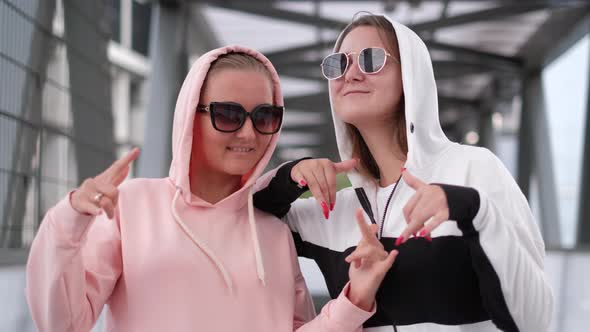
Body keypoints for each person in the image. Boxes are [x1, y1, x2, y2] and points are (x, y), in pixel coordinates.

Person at [25, 45, 399, 332]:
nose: (249, 133)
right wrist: (70, 219)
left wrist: (355, 298)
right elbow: (63, 323)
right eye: (229, 115)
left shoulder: (271, 230)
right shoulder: (131, 207)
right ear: (191, 115)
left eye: (265, 117)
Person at [254, 14, 553, 332]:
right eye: (338, 63)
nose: (351, 74)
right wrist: (289, 175)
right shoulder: (335, 204)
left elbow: (535, 319)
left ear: (411, 76)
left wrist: (474, 212)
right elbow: (241, 217)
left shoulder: (474, 169)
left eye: (371, 59)